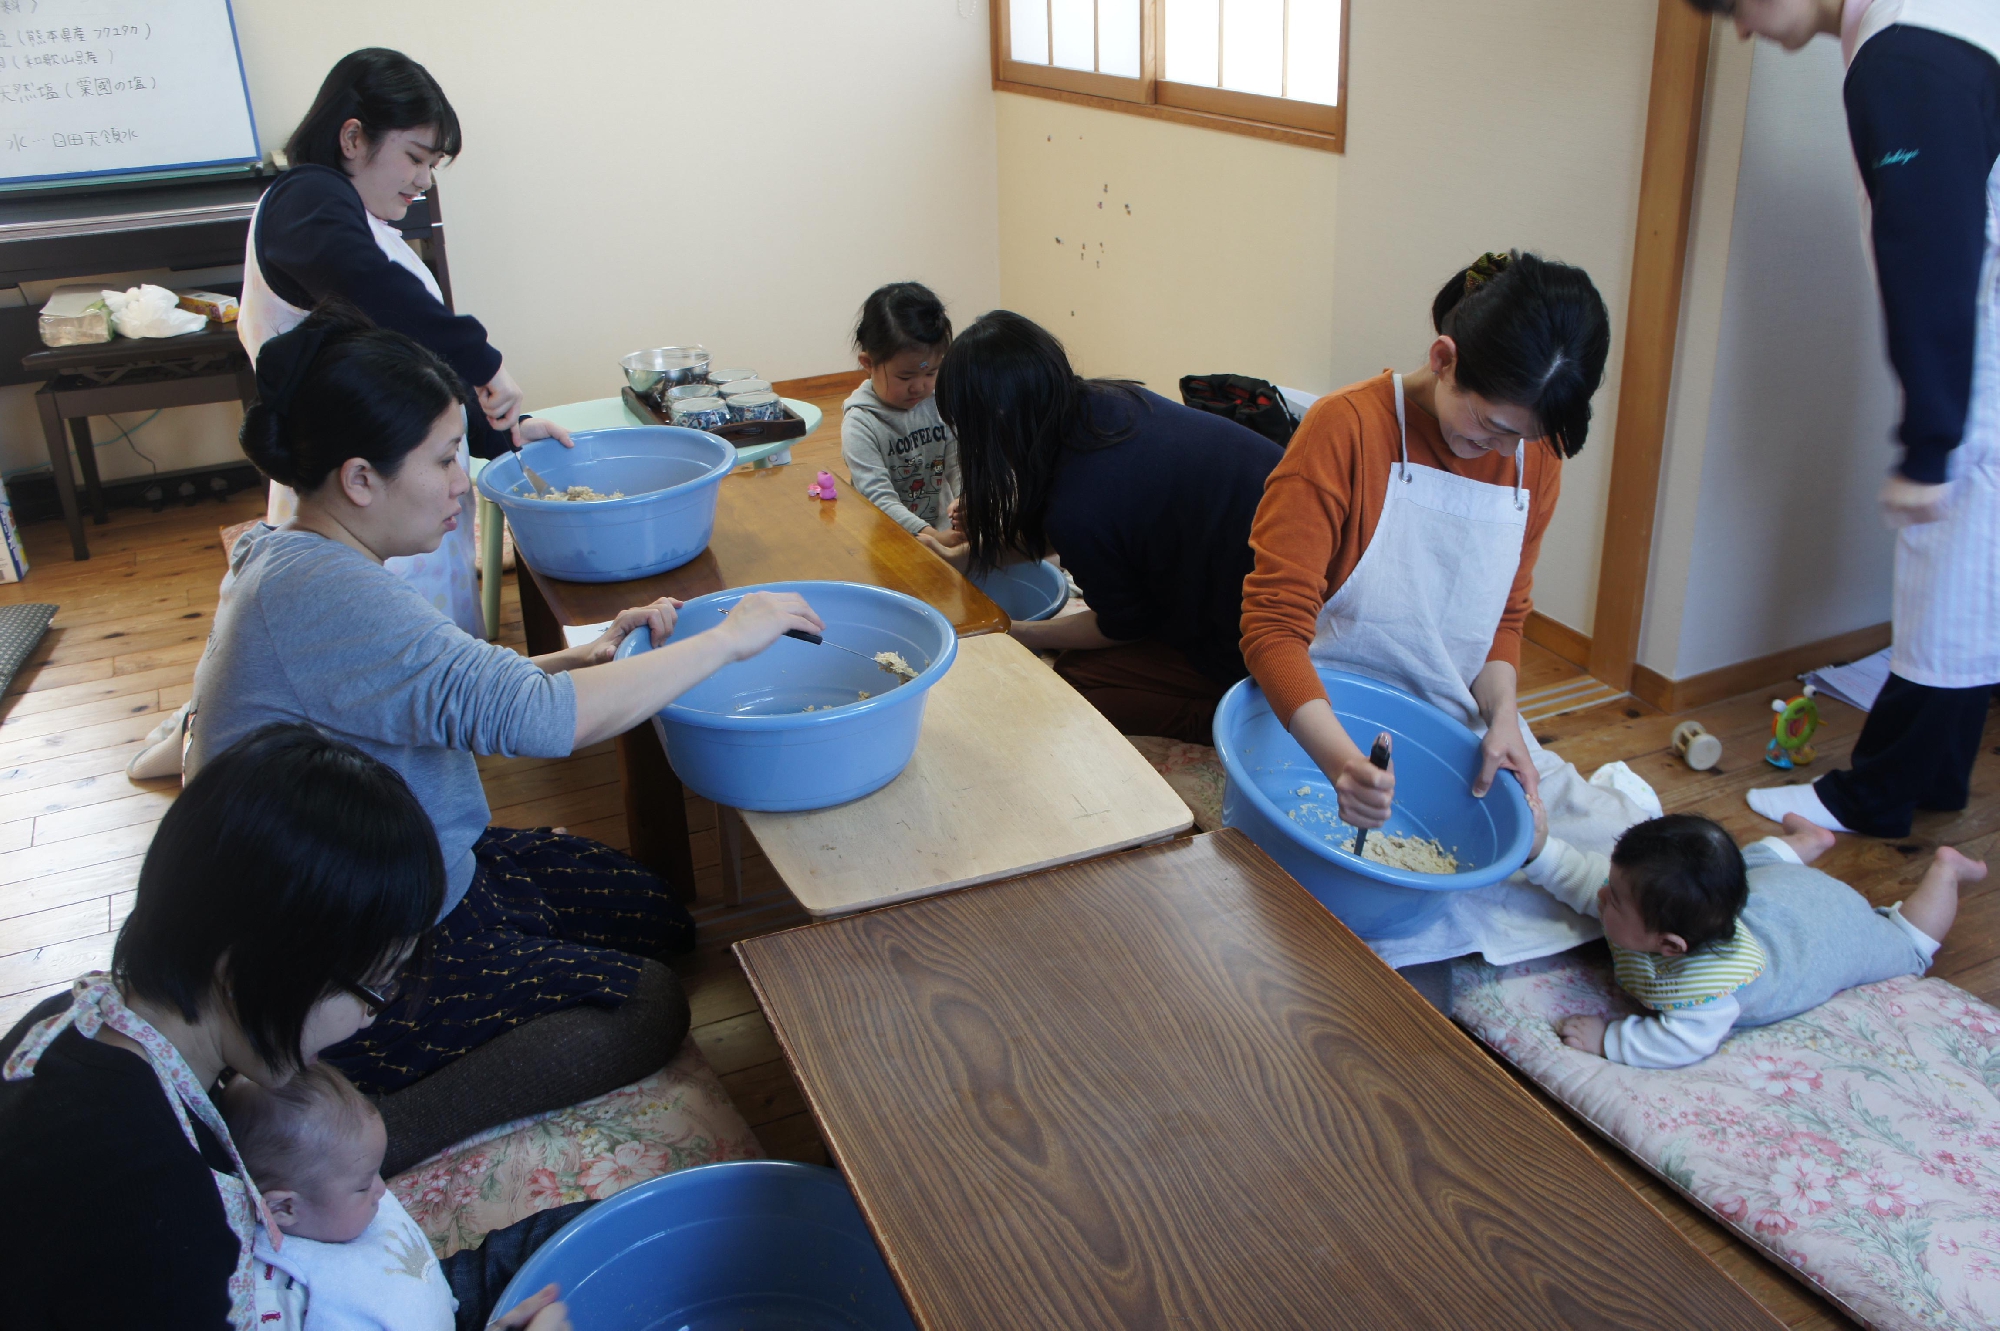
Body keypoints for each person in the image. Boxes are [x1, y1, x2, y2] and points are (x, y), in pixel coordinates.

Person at [187, 304, 823, 1176]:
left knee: (651, 913)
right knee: (645, 1006)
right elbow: (543, 724)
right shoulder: (320, 595)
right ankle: (375, 1125)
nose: (465, 481)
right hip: (359, 957)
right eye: (447, 460)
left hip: (429, 871)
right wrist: (731, 637)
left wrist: (583, 653)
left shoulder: (307, 556)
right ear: (360, 478)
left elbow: (445, 688)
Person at [0, 724, 574, 1331]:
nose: (369, 1015)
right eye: (369, 988)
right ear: (244, 967)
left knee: (569, 1236)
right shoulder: (149, 1202)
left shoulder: (80, 1022)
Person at [1240, 251, 1646, 994]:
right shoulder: (1348, 430)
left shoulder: (1534, 455)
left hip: (1451, 721)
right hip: (1324, 708)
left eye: (1515, 439)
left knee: (1625, 869)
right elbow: (1272, 629)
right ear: (1443, 357)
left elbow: (1503, 618)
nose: (1497, 450)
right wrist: (1341, 764)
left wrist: (1503, 717)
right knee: (1332, 945)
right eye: (1488, 425)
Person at [1682, 0, 2000, 838]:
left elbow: (1930, 248)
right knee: (1971, 588)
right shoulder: (1942, 22)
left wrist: (1929, 442)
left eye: (1734, 7)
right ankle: (1936, 778)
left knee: (1953, 573)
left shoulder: (1905, 57)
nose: (1744, 29)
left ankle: (1874, 797)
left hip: (1984, 372)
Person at [241, 47, 572, 635]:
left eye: (433, 164)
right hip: (359, 513)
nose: (423, 180)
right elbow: (376, 298)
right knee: (392, 674)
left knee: (438, 667)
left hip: (400, 503)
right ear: (352, 137)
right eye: (415, 157)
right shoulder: (304, 201)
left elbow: (402, 375)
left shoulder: (360, 221)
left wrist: (495, 431)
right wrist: (484, 361)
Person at [931, 310, 1284, 744]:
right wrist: (960, 557)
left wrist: (1017, 632)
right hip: (1286, 550)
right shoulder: (1104, 403)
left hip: (1270, 631)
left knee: (1075, 684)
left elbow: (1123, 625)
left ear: (998, 418)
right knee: (1082, 657)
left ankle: (1241, 722)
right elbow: (1066, 527)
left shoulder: (1081, 499)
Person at [1522, 805, 1981, 1067]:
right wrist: (1538, 851)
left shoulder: (1708, 992)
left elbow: (1682, 1043)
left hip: (1825, 928)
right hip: (1775, 894)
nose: (1602, 894)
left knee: (1910, 946)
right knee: (1744, 865)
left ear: (1669, 946)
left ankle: (1945, 871)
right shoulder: (1662, 910)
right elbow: (1584, 878)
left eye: (1614, 898)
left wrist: (1609, 1038)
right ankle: (1813, 840)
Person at [222, 1063, 461, 1329]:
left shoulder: (347, 1192)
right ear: (284, 1208)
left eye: (377, 1173)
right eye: (362, 1186)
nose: (381, 1190)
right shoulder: (280, 1295)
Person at [843, 282, 964, 546]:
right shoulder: (861, 423)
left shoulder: (940, 403)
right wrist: (933, 537)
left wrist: (965, 503)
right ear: (868, 363)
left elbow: (958, 464)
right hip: (886, 539)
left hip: (939, 529)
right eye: (905, 376)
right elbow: (878, 497)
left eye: (931, 372)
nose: (920, 386)